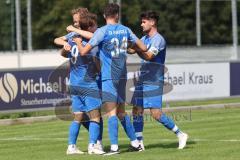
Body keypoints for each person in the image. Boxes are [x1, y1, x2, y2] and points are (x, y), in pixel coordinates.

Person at [74, 3, 147, 155]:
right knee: (121, 112)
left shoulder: (102, 31)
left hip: (108, 77)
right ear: (117, 15)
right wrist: (129, 47)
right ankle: (136, 143)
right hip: (122, 75)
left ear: (104, 16)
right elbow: (143, 47)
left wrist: (78, 43)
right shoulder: (125, 30)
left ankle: (114, 147)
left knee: (112, 113)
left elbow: (84, 52)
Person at [129, 11, 188, 150]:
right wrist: (122, 43)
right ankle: (139, 143)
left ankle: (180, 134)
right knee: (137, 110)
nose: (141, 24)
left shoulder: (158, 40)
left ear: (152, 22)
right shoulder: (144, 38)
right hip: (142, 78)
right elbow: (132, 50)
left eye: (144, 22)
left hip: (154, 81)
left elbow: (148, 56)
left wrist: (136, 48)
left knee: (156, 114)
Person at [54, 8, 104, 155]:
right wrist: (64, 45)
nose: (74, 23)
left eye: (76, 20)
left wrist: (68, 39)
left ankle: (71, 146)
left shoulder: (77, 35)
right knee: (95, 116)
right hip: (87, 82)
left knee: (78, 116)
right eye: (74, 20)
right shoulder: (81, 36)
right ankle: (93, 146)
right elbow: (59, 42)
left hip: (74, 83)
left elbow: (90, 34)